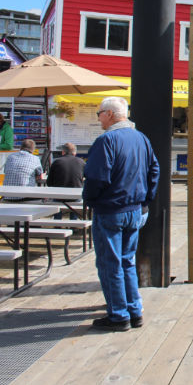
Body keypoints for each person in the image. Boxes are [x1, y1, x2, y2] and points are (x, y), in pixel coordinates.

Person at [84, 96, 159, 332]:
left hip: (111, 209)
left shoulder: (107, 140)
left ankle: (118, 315)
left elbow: (96, 177)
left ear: (109, 114)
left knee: (110, 263)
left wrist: (90, 200)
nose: (98, 118)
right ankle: (134, 310)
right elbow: (154, 170)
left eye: (99, 114)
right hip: (134, 209)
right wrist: (146, 199)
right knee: (126, 261)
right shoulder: (141, 138)